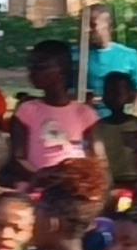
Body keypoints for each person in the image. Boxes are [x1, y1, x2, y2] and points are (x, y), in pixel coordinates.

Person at [12, 40, 100, 174]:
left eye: (40, 67)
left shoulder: (85, 114)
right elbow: (18, 157)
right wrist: (41, 177)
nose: (32, 73)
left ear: (62, 70)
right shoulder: (26, 111)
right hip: (38, 186)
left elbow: (95, 158)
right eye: (31, 67)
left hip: (77, 185)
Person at [85, 3, 137, 106]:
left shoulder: (128, 55)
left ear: (108, 26)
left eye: (92, 25)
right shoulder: (80, 57)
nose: (87, 30)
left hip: (119, 116)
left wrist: (132, 114)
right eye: (84, 26)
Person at [94, 71, 137, 185]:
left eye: (118, 92)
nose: (112, 96)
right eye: (108, 92)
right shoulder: (98, 128)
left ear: (130, 96)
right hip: (108, 183)